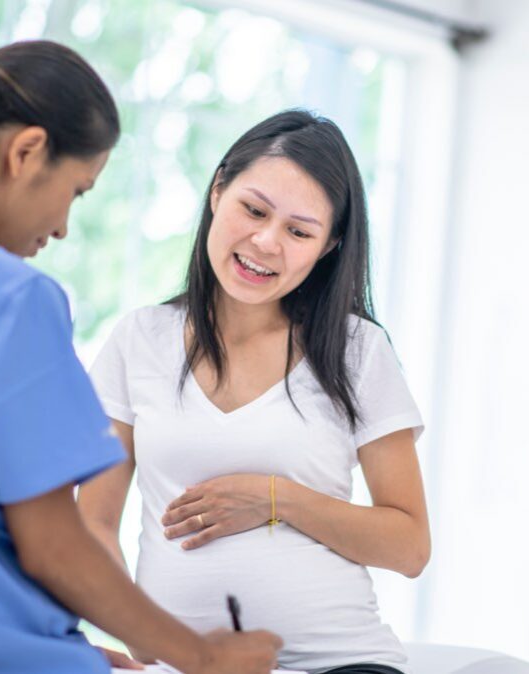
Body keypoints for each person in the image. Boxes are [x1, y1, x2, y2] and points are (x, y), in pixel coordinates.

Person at [0, 40, 280, 674]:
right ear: (27, 152)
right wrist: (200, 656)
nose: (64, 226)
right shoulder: (7, 295)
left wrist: (56, 644)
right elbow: (54, 548)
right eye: (78, 190)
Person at [79, 110, 431, 674]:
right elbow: (93, 520)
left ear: (330, 245)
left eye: (299, 231)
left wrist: (276, 499)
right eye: (254, 210)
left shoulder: (356, 350)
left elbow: (410, 547)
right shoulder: (140, 339)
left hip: (339, 664)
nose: (266, 242)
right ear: (218, 190)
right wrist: (135, 627)